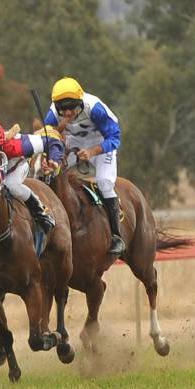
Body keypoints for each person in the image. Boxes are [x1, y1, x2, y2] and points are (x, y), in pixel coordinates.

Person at [43, 76, 126, 255]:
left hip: (101, 144)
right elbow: (47, 139)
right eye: (63, 108)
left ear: (80, 101)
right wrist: (57, 133)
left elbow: (115, 138)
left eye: (72, 107)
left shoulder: (95, 109)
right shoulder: (53, 114)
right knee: (49, 176)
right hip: (74, 144)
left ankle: (116, 236)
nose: (68, 112)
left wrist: (93, 151)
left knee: (104, 183)